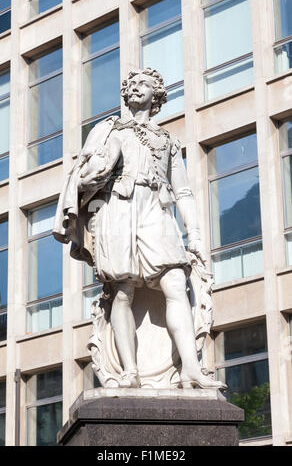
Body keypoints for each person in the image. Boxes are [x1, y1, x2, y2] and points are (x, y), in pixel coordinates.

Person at [53, 67, 226, 390]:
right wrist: (98, 164)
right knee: (121, 291)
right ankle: (129, 371)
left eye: (142, 84)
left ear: (156, 95)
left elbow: (183, 191)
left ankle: (190, 368)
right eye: (130, 84)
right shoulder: (109, 129)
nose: (134, 88)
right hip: (118, 210)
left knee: (175, 281)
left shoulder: (168, 140)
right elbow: (86, 173)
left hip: (156, 210)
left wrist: (196, 235)